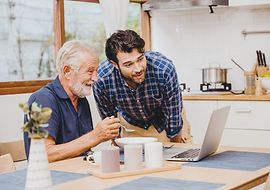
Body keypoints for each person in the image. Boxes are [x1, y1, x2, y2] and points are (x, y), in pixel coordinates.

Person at [24, 40, 120, 163]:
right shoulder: (42, 100)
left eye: (96, 71)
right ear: (67, 71)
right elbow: (42, 155)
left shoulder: (81, 99)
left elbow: (83, 150)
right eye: (90, 71)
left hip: (80, 172)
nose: (96, 78)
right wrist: (96, 136)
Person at [93, 30, 192, 143]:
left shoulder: (164, 69)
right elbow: (110, 123)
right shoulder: (102, 80)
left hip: (166, 120)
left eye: (140, 59)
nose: (138, 69)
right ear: (114, 64)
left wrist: (177, 152)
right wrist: (118, 148)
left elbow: (173, 117)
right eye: (128, 64)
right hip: (132, 125)